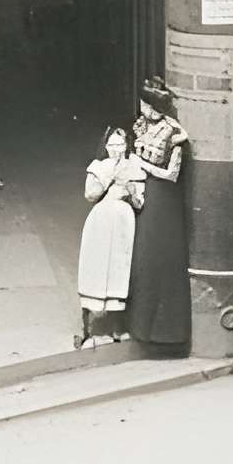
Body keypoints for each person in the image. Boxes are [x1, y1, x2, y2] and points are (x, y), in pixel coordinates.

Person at [127, 78, 192, 354]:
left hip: (163, 201)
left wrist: (140, 164)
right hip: (144, 192)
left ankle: (166, 332)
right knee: (142, 258)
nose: (144, 109)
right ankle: (141, 326)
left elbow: (171, 174)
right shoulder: (143, 125)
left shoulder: (174, 134)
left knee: (158, 257)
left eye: (148, 104)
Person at [76, 125, 143, 346]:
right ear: (105, 146)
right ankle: (89, 329)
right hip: (102, 218)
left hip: (124, 221)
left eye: (120, 144)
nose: (116, 149)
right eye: (112, 145)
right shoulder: (99, 167)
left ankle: (117, 327)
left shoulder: (134, 167)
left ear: (127, 145)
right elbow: (90, 194)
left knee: (119, 268)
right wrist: (109, 173)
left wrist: (132, 193)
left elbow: (140, 202)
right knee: (96, 266)